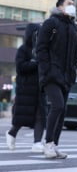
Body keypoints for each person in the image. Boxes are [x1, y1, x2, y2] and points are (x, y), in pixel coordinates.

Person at [37, 0, 77, 159]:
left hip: (66, 76)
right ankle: (47, 143)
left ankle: (54, 145)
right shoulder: (51, 23)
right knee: (58, 106)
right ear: (60, 7)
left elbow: (75, 53)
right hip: (51, 75)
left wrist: (73, 72)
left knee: (63, 111)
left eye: (73, 4)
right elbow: (40, 48)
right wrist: (46, 70)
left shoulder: (75, 28)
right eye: (69, 4)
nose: (72, 7)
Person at [5, 23, 46, 152]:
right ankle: (11, 133)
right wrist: (35, 63)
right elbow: (20, 67)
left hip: (39, 88)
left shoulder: (41, 49)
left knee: (40, 116)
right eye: (37, 33)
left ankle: (37, 142)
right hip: (26, 89)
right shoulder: (23, 49)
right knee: (22, 117)